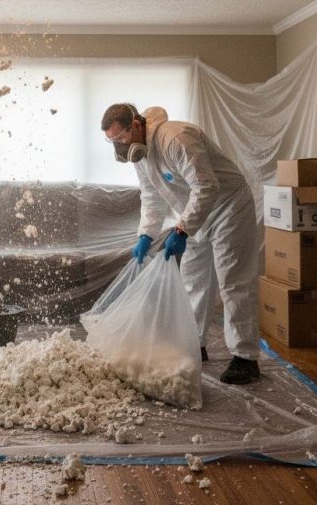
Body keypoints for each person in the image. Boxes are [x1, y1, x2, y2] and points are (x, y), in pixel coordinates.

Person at [101, 103, 261, 385]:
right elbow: (151, 197)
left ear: (136, 125)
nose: (119, 145)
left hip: (228, 207)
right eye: (112, 141)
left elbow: (206, 186)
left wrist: (183, 229)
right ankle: (194, 344)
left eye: (121, 138)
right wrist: (145, 235)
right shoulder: (141, 156)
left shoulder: (175, 138)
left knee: (233, 280)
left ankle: (245, 359)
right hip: (194, 214)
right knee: (193, 280)